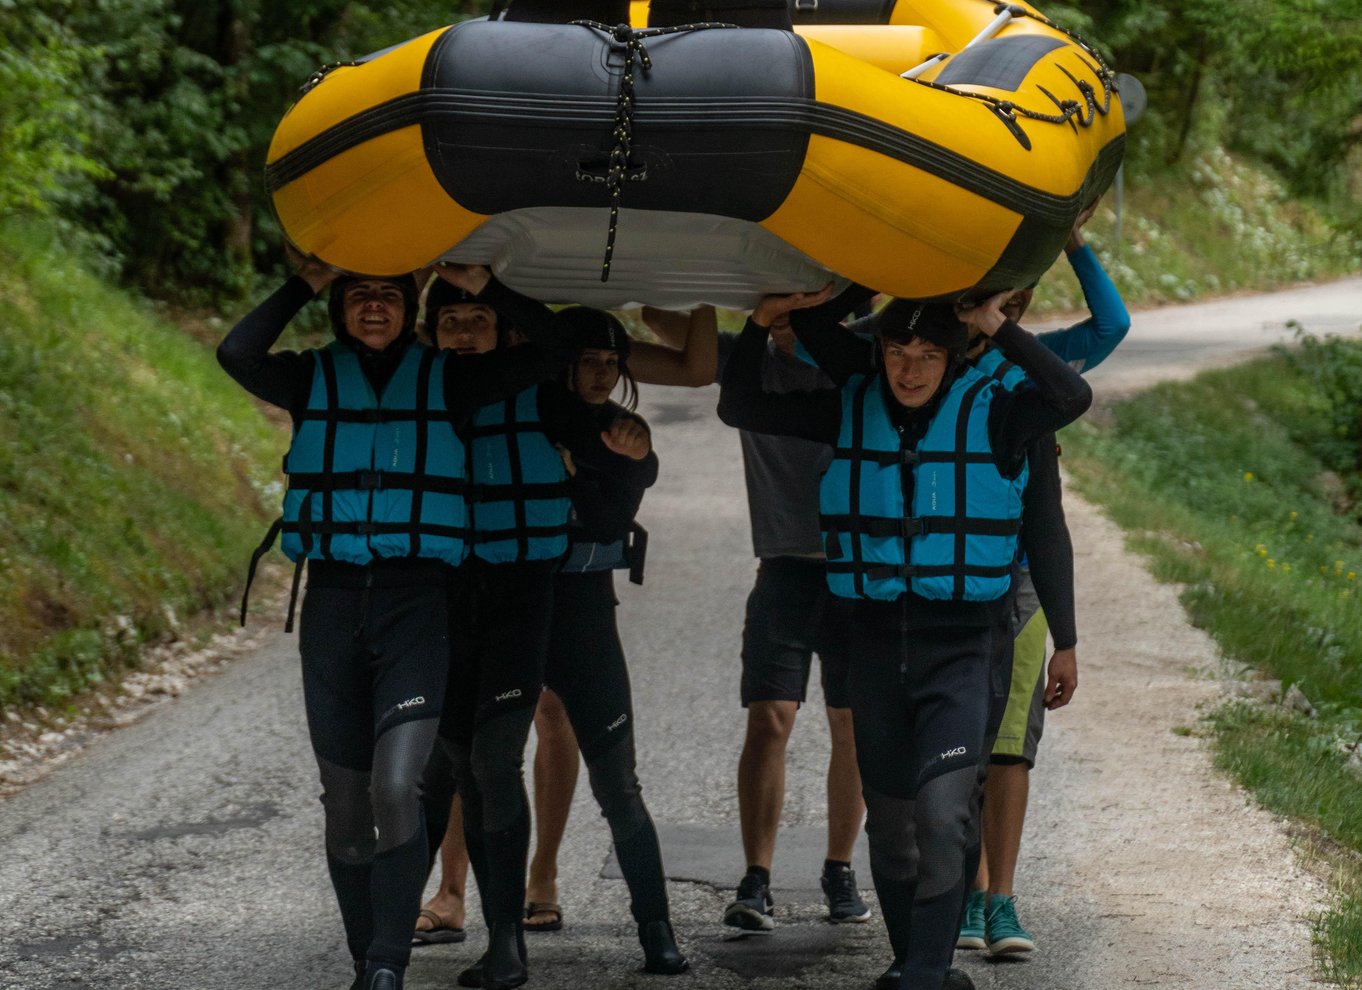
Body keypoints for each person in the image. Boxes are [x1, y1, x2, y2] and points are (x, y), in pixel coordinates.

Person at [717, 285, 1092, 990]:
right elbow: (739, 406)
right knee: (890, 832)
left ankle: (925, 970)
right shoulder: (850, 407)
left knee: (945, 811)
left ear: (951, 361)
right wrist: (758, 325)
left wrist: (992, 324)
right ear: (879, 354)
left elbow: (1070, 398)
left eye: (927, 356)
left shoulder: (1000, 417)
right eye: (897, 354)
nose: (911, 370)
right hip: (873, 640)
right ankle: (916, 963)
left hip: (964, 643)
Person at [217, 259, 573, 990]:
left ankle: (387, 965)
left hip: (418, 605)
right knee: (345, 803)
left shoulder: (451, 380)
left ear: (409, 311)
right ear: (341, 310)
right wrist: (303, 283)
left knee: (397, 785)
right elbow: (235, 354)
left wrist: (484, 287)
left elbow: (556, 350)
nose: (374, 307)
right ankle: (364, 961)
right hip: (333, 606)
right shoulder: (308, 379)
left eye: (388, 295)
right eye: (359, 297)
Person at [422, 269, 659, 990]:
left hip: (558, 597)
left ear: (506, 331)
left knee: (609, 778)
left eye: (480, 318)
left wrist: (636, 456)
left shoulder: (547, 400)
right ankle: (419, 931)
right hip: (460, 603)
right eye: (451, 320)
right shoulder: (414, 391)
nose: (465, 333)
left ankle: (657, 934)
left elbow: (631, 470)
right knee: (452, 772)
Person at [639, 305, 871, 932]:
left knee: (851, 725)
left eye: (806, 308)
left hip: (856, 571)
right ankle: (757, 877)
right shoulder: (750, 360)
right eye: (782, 308)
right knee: (770, 720)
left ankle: (839, 868)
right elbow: (663, 323)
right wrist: (715, 288)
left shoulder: (862, 362)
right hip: (784, 567)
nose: (792, 321)